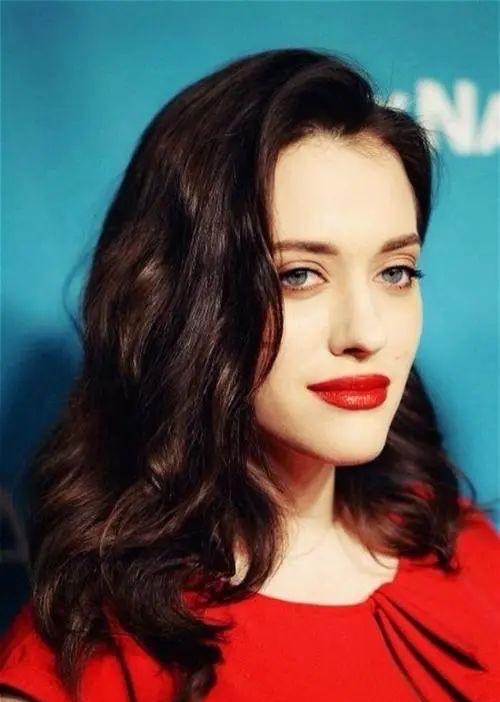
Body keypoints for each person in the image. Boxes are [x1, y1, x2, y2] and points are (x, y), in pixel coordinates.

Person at [0, 47, 499, 702]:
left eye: (395, 271)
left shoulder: (465, 550)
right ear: (185, 298)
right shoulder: (93, 654)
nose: (367, 332)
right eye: (299, 275)